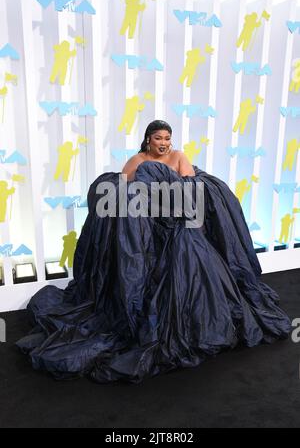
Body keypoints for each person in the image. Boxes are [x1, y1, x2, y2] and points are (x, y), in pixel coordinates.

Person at [16, 120, 291, 384]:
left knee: (191, 255)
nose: (164, 143)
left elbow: (190, 190)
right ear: (148, 139)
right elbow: (120, 189)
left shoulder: (179, 157)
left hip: (176, 217)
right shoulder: (137, 160)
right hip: (148, 218)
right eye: (158, 138)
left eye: (168, 138)